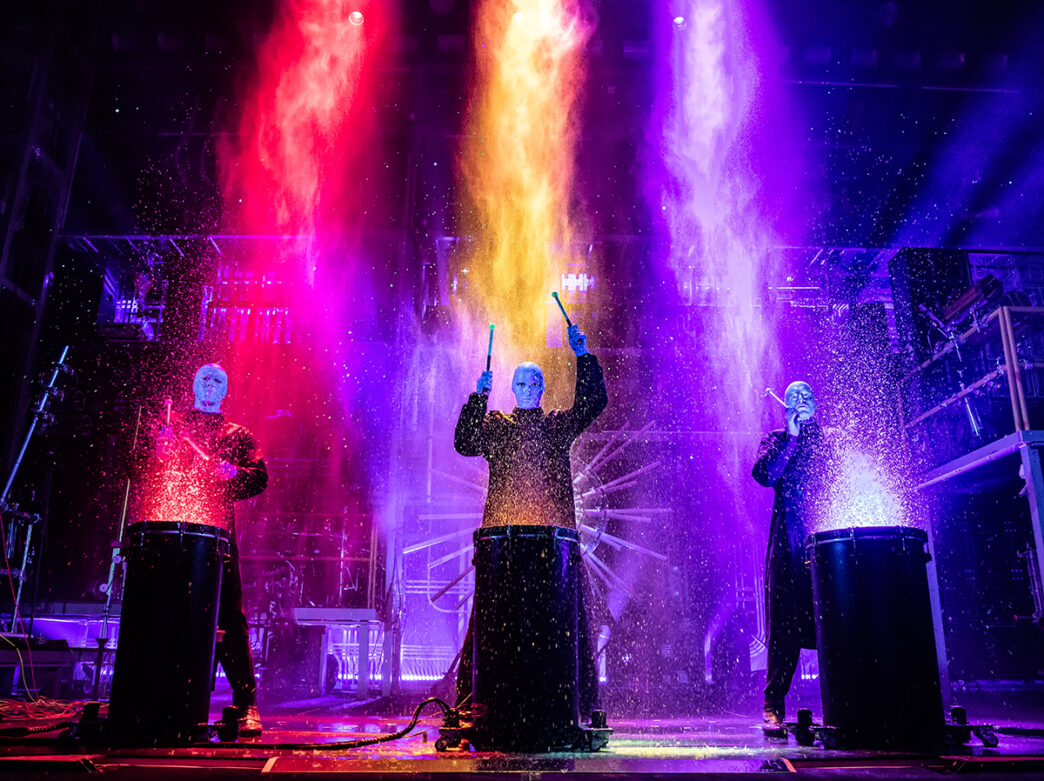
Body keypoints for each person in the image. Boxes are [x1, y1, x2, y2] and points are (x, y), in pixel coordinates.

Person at [453, 324, 608, 716]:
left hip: (553, 547)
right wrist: (478, 396)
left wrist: (583, 356)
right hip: (503, 546)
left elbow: (592, 403)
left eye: (533, 381)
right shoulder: (496, 427)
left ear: (540, 388)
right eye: (520, 381)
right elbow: (463, 441)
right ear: (513, 387)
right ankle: (474, 703)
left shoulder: (556, 426)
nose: (526, 386)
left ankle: (579, 706)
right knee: (490, 621)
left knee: (566, 620)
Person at [132, 363, 267, 736]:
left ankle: (245, 702)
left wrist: (233, 474)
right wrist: (156, 453)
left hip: (217, 536)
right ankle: (151, 692)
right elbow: (138, 468)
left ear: (225, 391)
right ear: (193, 385)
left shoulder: (237, 434)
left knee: (228, 615)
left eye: (218, 381)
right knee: (162, 607)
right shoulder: (172, 429)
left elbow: (259, 477)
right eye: (204, 379)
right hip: (169, 532)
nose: (210, 385)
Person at [752, 380, 833, 732]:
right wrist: (792, 436)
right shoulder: (777, 437)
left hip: (823, 540)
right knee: (784, 624)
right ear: (783, 407)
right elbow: (766, 475)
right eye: (792, 399)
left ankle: (841, 700)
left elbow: (837, 478)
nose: (798, 402)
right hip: (787, 540)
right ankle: (773, 704)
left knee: (832, 621)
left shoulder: (829, 440)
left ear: (815, 404)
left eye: (804, 397)